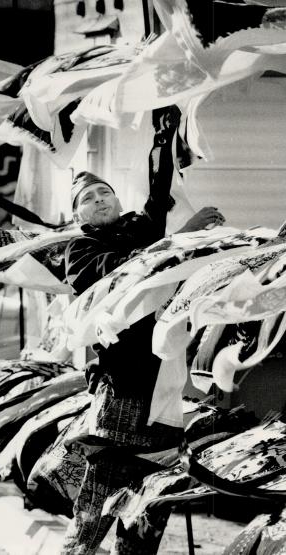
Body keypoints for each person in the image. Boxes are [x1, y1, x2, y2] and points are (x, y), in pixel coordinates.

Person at [62, 107, 225, 555]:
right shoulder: (81, 250)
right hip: (124, 387)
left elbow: (160, 193)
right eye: (88, 198)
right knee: (102, 490)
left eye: (104, 192)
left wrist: (165, 132)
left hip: (164, 383)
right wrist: (175, 240)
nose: (99, 199)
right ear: (78, 216)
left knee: (153, 492)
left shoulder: (139, 227)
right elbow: (121, 274)